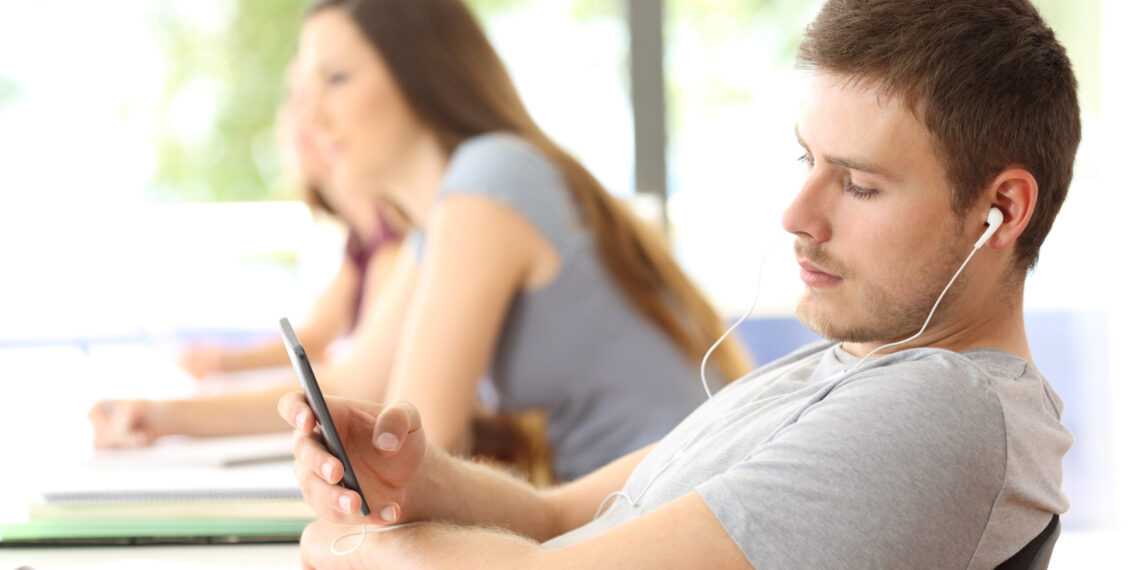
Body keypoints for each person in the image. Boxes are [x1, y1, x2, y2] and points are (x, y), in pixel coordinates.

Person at [278, 0, 1080, 567]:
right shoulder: (844, 366)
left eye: (859, 184)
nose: (796, 214)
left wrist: (349, 544)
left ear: (1000, 209)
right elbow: (554, 515)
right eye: (807, 161)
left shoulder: (940, 411)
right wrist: (411, 484)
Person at [91, 0, 754, 484]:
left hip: (679, 506)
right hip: (642, 501)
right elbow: (353, 381)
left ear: (420, 75)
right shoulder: (444, 216)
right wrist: (164, 416)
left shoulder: (486, 181)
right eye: (304, 86)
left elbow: (415, 444)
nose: (310, 117)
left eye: (337, 79)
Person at [177, 63, 406, 381]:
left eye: (332, 84)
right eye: (293, 98)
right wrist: (220, 361)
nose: (297, 118)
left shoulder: (396, 241)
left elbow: (361, 382)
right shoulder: (362, 242)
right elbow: (311, 339)